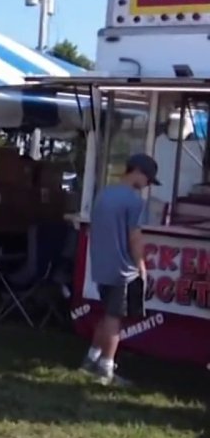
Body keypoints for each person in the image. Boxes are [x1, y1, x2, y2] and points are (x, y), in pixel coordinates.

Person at [80, 153, 158, 386]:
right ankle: (106, 370)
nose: (147, 186)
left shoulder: (104, 193)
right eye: (149, 180)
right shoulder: (134, 202)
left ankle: (90, 359)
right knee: (115, 319)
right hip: (122, 268)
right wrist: (141, 265)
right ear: (139, 173)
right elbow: (135, 237)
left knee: (107, 314)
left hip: (101, 264)